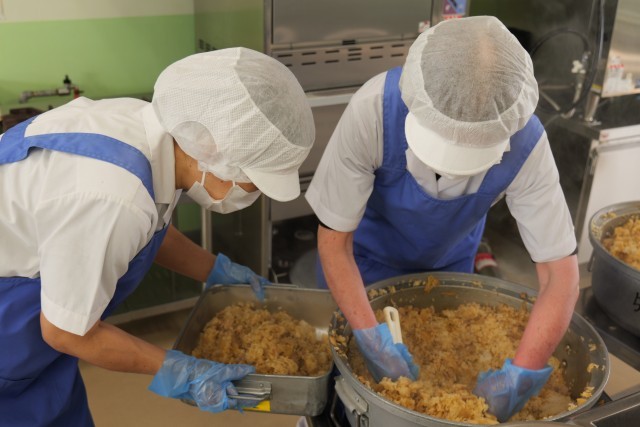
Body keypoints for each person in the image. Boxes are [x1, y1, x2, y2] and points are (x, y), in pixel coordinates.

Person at [0, 47, 315, 426]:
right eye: (255, 180)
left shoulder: (160, 138)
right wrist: (183, 373)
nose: (254, 193)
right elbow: (66, 333)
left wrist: (216, 271)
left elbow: (149, 230)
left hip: (41, 347)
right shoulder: (113, 196)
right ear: (212, 150)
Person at [305, 16, 579, 423]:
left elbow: (561, 274)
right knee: (340, 392)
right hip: (359, 267)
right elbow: (333, 241)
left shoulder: (527, 143)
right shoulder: (374, 109)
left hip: (448, 272)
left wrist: (521, 373)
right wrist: (369, 336)